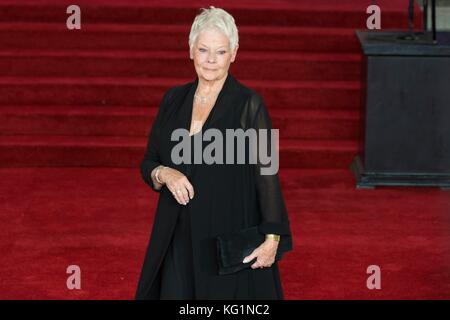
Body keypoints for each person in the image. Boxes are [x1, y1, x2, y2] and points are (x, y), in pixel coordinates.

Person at [135, 6, 292, 300]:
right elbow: (149, 162)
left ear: (233, 53)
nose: (210, 60)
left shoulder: (250, 105)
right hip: (176, 234)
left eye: (220, 52)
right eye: (203, 50)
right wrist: (165, 173)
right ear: (191, 50)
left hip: (225, 235)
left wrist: (272, 238)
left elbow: (267, 174)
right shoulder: (173, 100)